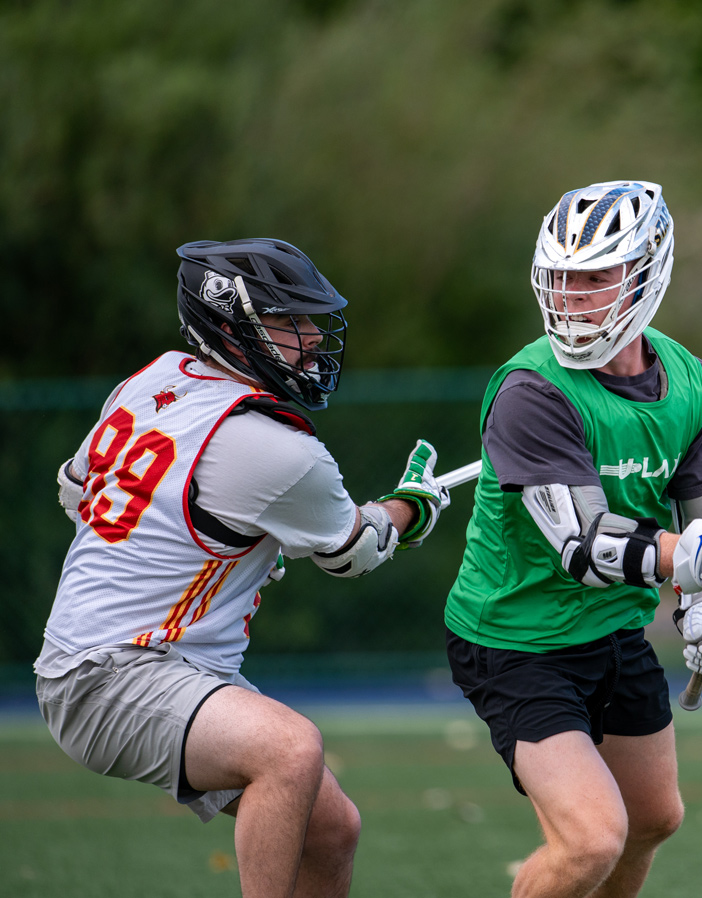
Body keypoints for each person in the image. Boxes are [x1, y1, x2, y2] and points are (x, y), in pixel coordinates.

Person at [37, 239, 451, 898]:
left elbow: (76, 488)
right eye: (291, 320)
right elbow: (354, 553)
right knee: (289, 750)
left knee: (332, 829)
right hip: (117, 672)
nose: (313, 336)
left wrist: (209, 546)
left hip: (98, 661)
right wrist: (410, 509)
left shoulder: (152, 381)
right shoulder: (277, 449)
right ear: (231, 325)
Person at [444, 180, 702, 898]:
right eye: (561, 278)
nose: (572, 296)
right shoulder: (531, 391)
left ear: (646, 272)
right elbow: (587, 546)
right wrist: (688, 561)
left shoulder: (689, 378)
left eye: (594, 277)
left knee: (654, 817)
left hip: (611, 631)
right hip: (516, 637)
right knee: (592, 839)